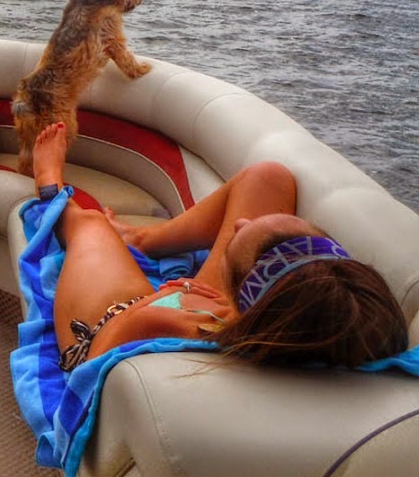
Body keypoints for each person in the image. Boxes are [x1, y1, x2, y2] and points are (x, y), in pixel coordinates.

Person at [30, 121, 408, 370]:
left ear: (246, 287)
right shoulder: (324, 322)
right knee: (268, 177)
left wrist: (149, 310)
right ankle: (138, 238)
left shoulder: (156, 323)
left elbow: (94, 364)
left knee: (89, 225)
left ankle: (48, 179)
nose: (239, 223)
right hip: (220, 304)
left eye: (239, 237)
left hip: (107, 325)